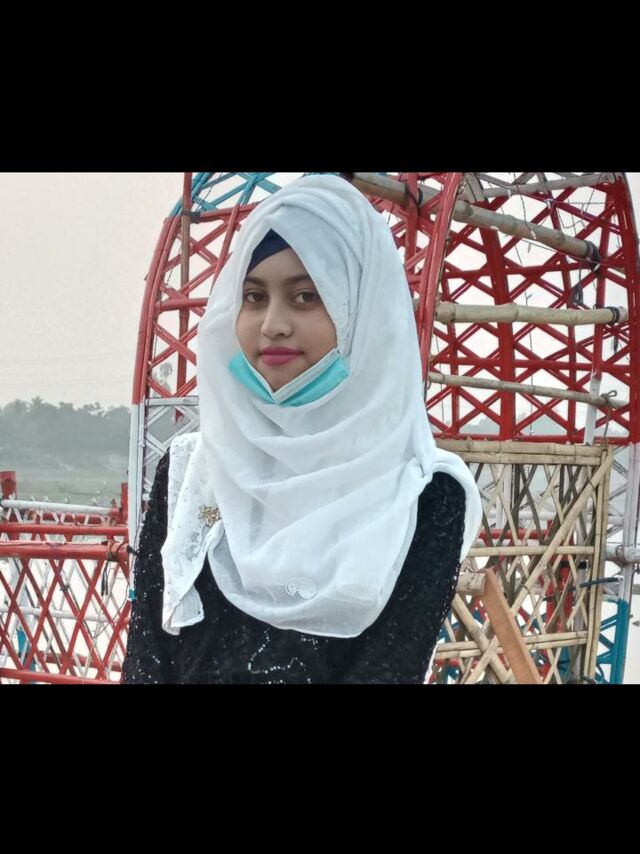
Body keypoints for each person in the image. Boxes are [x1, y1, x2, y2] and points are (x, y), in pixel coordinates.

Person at [122, 174, 483, 684]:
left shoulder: (420, 495)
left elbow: (387, 670)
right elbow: (147, 660)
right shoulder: (192, 471)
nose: (272, 323)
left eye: (306, 297)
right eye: (253, 296)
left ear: (363, 313)